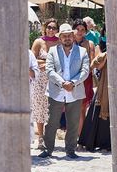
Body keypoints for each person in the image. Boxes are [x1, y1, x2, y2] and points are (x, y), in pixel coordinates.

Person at [38, 23, 90, 159]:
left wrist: (73, 83)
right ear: (60, 38)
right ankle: (48, 149)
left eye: (69, 36)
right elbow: (49, 70)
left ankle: (70, 150)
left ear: (73, 36)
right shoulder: (52, 51)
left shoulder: (82, 52)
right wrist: (62, 83)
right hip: (56, 91)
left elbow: (85, 71)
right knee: (51, 123)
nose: (67, 38)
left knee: (73, 123)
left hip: (75, 90)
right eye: (64, 36)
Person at [78, 32, 117, 152]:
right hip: (105, 83)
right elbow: (96, 66)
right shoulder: (102, 45)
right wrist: (108, 54)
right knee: (100, 113)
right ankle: (99, 143)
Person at [30, 18, 60, 150]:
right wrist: (46, 64)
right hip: (40, 79)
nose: (51, 30)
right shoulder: (38, 41)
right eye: (49, 27)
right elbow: (32, 60)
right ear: (45, 28)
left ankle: (50, 136)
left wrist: (46, 64)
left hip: (54, 78)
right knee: (40, 107)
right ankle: (40, 137)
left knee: (53, 107)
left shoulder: (59, 42)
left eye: (54, 28)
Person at [73, 19, 96, 135]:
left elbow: (92, 63)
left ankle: (80, 136)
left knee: (82, 109)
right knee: (70, 108)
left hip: (84, 79)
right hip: (70, 78)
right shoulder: (67, 42)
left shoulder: (89, 44)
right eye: (77, 29)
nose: (80, 32)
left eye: (82, 30)